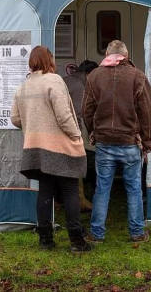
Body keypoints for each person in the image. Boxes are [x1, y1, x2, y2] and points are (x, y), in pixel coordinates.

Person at [11, 46, 92, 252]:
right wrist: (76, 136)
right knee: (70, 190)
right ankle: (76, 241)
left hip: (35, 148)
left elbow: (15, 119)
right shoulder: (54, 81)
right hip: (60, 146)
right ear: (49, 60)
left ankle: (45, 240)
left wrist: (34, 126)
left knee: (45, 192)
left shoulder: (24, 86)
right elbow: (64, 116)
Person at [82, 40, 151, 243]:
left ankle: (96, 234)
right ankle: (137, 233)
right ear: (127, 55)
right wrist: (148, 143)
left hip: (104, 143)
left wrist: (93, 132)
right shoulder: (138, 77)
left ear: (107, 54)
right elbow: (147, 113)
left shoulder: (94, 76)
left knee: (102, 188)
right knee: (133, 189)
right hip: (130, 141)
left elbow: (86, 111)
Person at [63, 60, 99, 212]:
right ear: (88, 74)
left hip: (58, 132)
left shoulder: (66, 80)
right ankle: (82, 201)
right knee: (83, 164)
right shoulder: (79, 86)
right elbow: (80, 113)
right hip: (69, 133)